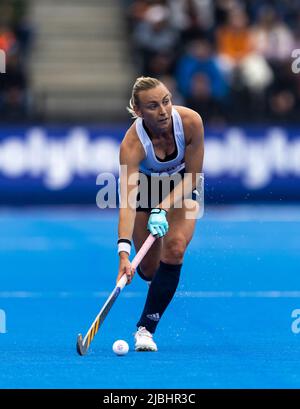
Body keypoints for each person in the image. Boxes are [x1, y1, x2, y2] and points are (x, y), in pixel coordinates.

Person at [116, 76, 204, 351]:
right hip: (146, 189)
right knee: (149, 269)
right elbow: (127, 203)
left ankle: (145, 328)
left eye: (166, 101)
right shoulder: (132, 145)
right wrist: (123, 255)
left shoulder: (190, 122)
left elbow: (193, 178)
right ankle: (149, 273)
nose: (164, 110)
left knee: (175, 248)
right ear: (139, 111)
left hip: (181, 187)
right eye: (153, 106)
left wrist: (162, 207)